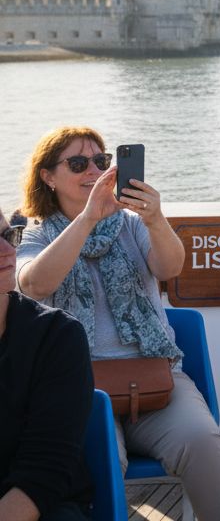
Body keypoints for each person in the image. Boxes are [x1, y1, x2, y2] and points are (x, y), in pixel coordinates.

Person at [16, 128, 220, 521]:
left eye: (101, 161)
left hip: (156, 380)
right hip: (77, 389)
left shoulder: (131, 224)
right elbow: (35, 284)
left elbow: (170, 267)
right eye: (78, 163)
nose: (93, 171)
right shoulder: (34, 235)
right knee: (102, 465)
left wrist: (155, 219)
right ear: (48, 176)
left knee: (208, 448)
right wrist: (88, 218)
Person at [1, 207, 94, 521]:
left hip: (38, 507)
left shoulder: (57, 336)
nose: (7, 249)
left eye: (8, 235)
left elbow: (43, 474)